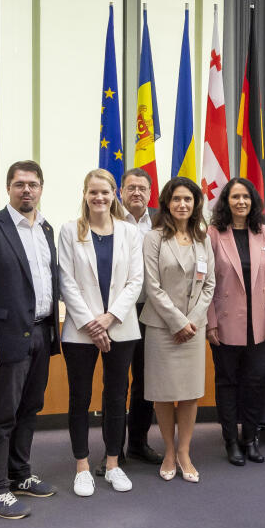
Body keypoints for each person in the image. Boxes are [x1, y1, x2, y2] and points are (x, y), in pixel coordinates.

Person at [0, 160, 60, 519]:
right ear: (8, 188)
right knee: (2, 416)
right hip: (3, 340)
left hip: (40, 332)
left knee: (29, 410)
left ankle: (19, 474)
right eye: (20, 184)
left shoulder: (46, 229)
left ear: (40, 188)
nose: (27, 190)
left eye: (33, 184)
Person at [57, 169, 144, 497]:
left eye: (105, 192)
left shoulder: (129, 233)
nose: (99, 198)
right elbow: (65, 280)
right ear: (85, 194)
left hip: (121, 327)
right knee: (79, 397)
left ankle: (112, 463)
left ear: (114, 194)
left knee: (115, 396)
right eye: (93, 192)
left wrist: (109, 318)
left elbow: (136, 280)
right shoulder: (69, 231)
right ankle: (81, 466)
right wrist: (91, 323)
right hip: (80, 332)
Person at [140, 177, 216, 482]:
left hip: (194, 328)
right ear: (167, 203)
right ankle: (169, 451)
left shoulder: (203, 237)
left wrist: (192, 321)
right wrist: (177, 322)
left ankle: (184, 451)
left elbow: (209, 284)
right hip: (162, 327)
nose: (182, 204)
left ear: (196, 203)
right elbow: (152, 286)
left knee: (189, 393)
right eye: (176, 199)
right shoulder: (154, 238)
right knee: (163, 393)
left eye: (188, 199)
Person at [206, 177, 265, 466]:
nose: (241, 202)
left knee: (255, 383)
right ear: (226, 201)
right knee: (227, 384)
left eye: (246, 197)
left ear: (253, 202)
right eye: (235, 197)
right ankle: (231, 441)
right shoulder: (213, 234)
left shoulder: (263, 232)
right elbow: (206, 282)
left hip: (258, 324)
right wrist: (210, 322)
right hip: (225, 324)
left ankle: (250, 438)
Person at [108, 167, 164, 469]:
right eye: (131, 188)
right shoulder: (109, 219)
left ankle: (139, 443)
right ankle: (113, 450)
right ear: (121, 191)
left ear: (150, 192)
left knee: (146, 381)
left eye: (142, 188)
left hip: (151, 311)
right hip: (118, 312)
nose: (137, 193)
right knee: (117, 384)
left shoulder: (161, 220)